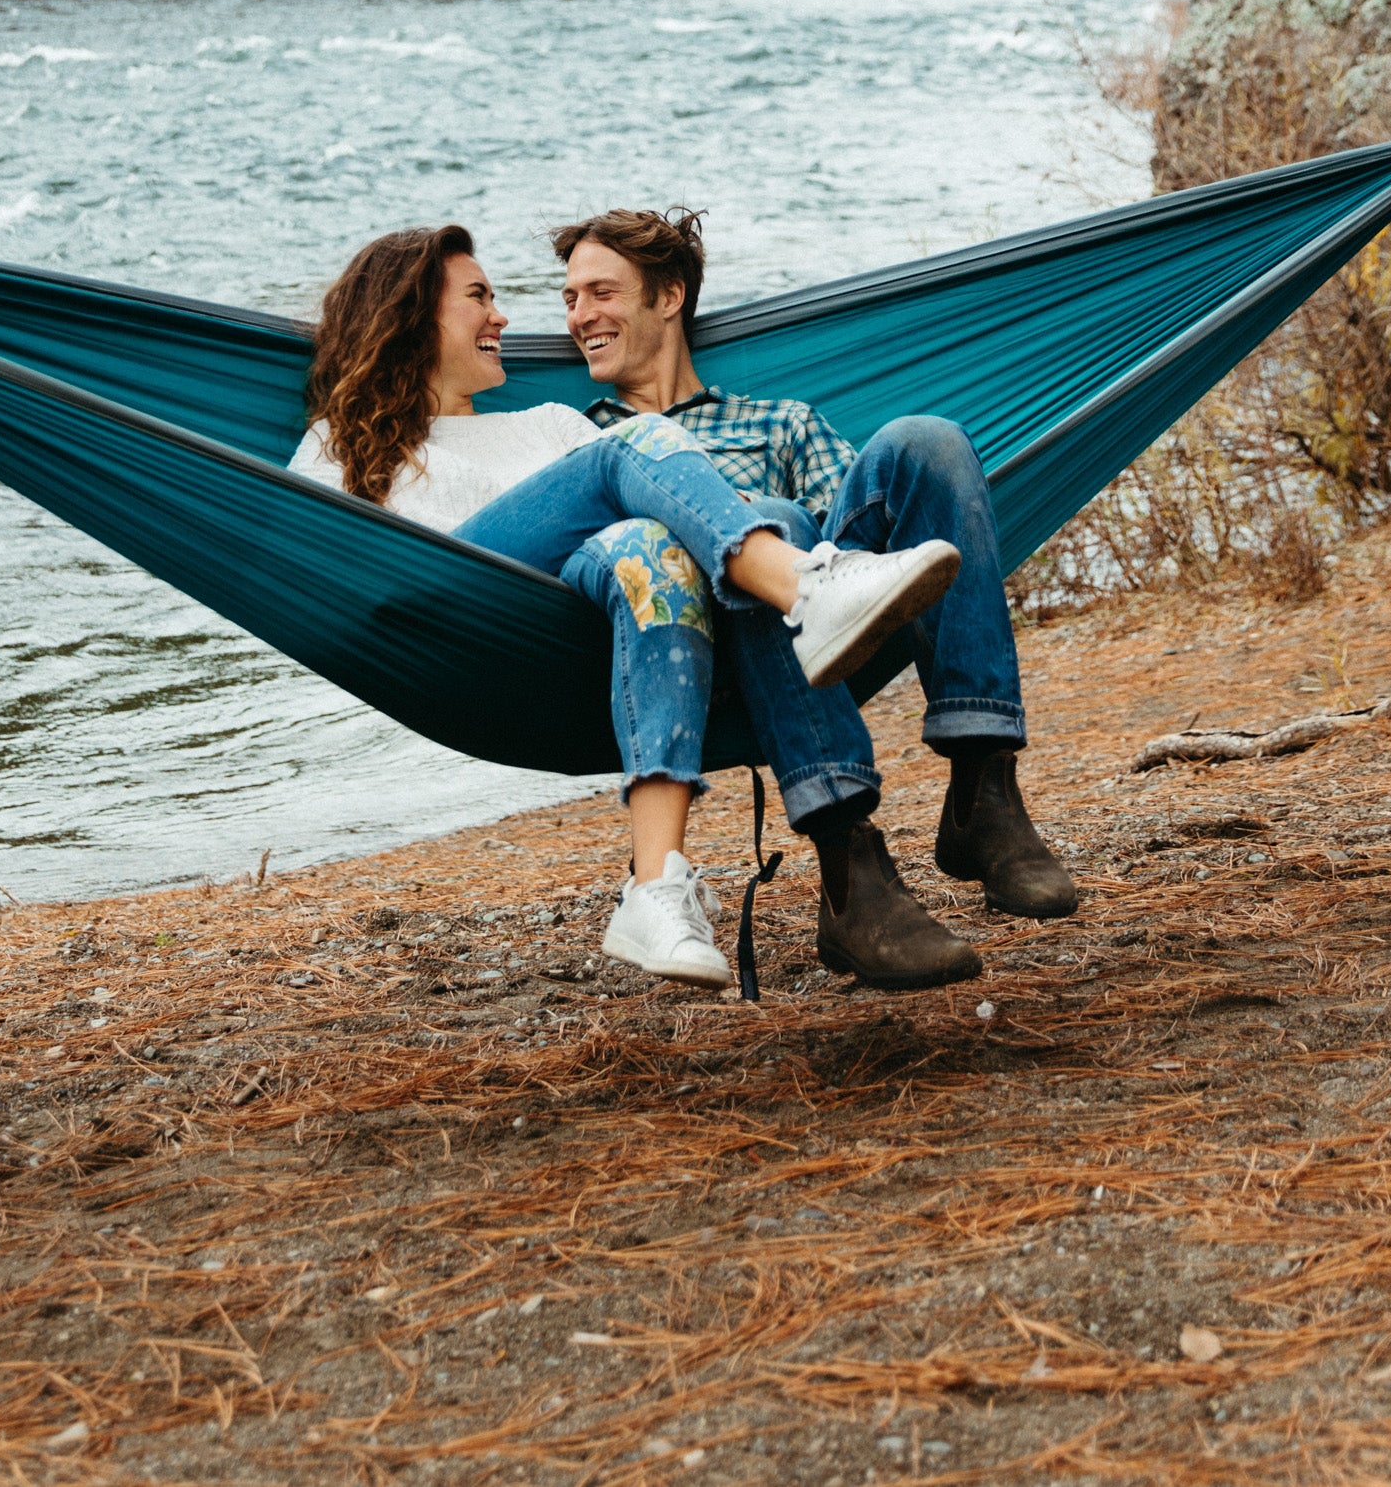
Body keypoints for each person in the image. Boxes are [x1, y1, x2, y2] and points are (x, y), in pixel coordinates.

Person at [289, 225, 966, 989]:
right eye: (479, 297)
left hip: (575, 618)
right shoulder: (335, 447)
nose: (502, 317)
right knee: (635, 439)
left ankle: (655, 888)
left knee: (654, 549)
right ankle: (806, 589)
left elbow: (663, 509)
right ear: (410, 315)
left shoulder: (546, 423)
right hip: (463, 605)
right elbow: (316, 562)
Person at [556, 207, 1081, 964]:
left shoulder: (778, 422)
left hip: (827, 632)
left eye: (599, 291)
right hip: (693, 646)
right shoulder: (586, 446)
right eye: (569, 299)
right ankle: (849, 868)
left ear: (668, 296)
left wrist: (799, 543)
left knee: (930, 443)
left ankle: (984, 791)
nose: (580, 316)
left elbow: (859, 541)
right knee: (766, 516)